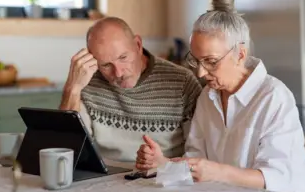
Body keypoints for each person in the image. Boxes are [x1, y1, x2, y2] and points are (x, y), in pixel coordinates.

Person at [135, 0, 305, 192]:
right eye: (196, 60)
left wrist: (216, 172)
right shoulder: (207, 97)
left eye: (211, 62)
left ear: (240, 54)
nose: (201, 73)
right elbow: (197, 164)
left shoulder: (273, 97)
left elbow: (278, 177)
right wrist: (163, 163)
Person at [59, 17, 202, 164]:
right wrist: (72, 89)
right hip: (103, 178)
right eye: (106, 65)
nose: (119, 73)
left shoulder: (182, 82)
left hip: (163, 177)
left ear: (138, 45)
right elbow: (67, 150)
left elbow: (199, 156)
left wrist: (165, 163)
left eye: (123, 57)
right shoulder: (87, 81)